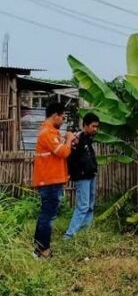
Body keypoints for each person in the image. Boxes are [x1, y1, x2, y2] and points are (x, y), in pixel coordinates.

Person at [32, 103, 75, 258]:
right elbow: (63, 152)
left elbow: (57, 154)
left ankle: (38, 249)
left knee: (46, 214)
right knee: (48, 216)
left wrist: (66, 140)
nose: (63, 120)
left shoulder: (51, 133)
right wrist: (69, 139)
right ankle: (43, 250)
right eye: (63, 117)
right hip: (49, 182)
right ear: (55, 115)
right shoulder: (47, 133)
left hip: (50, 181)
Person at [64, 113, 100, 240]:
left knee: (90, 206)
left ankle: (85, 232)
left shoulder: (87, 138)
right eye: (93, 126)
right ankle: (69, 235)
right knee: (83, 206)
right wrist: (71, 174)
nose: (95, 129)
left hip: (90, 175)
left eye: (97, 127)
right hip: (82, 177)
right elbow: (70, 158)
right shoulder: (77, 139)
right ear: (85, 125)